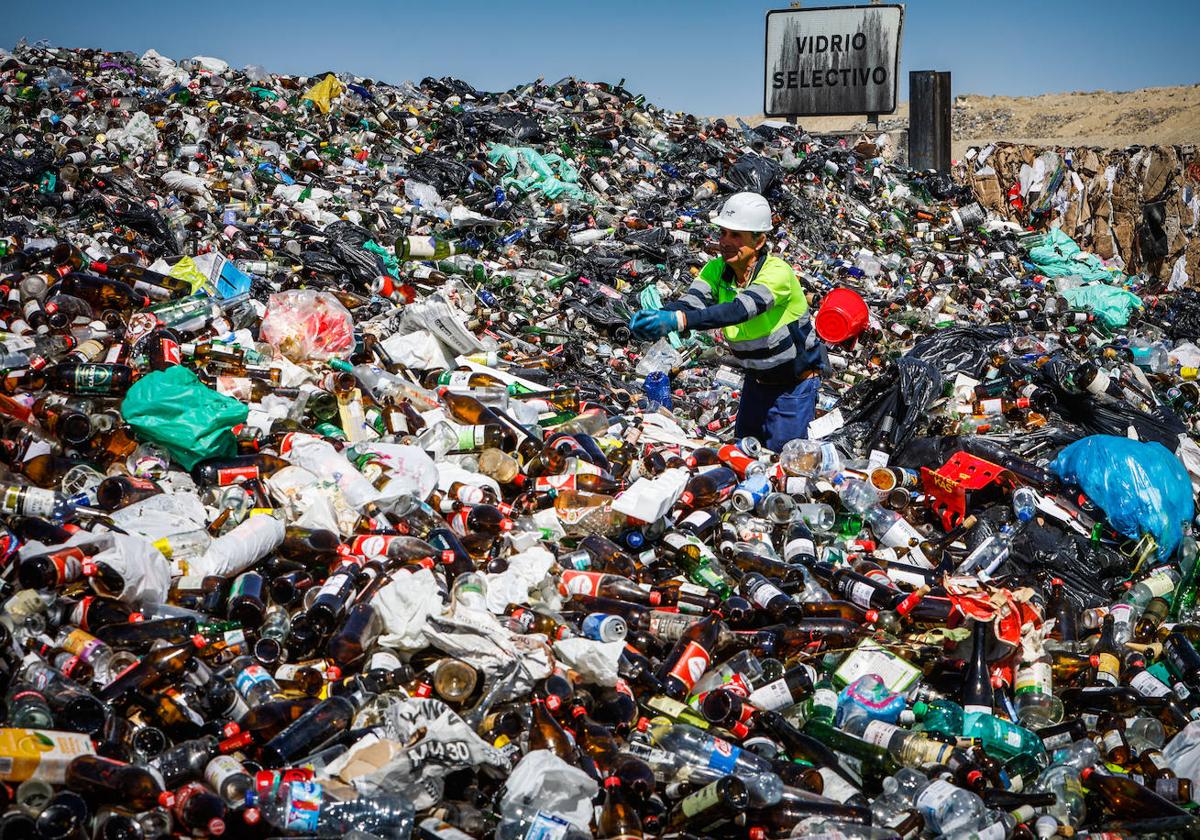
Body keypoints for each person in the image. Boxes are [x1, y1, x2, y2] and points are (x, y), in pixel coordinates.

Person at [628, 192, 824, 451]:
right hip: (756, 383)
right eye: (723, 233)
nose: (726, 242)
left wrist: (679, 320)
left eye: (736, 236)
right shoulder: (716, 269)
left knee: (782, 464)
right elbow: (692, 303)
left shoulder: (777, 273)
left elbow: (739, 310)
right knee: (742, 455)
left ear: (759, 240)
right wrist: (658, 316)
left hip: (793, 389)